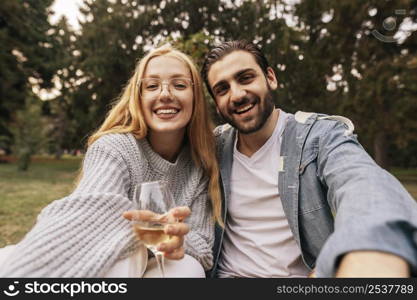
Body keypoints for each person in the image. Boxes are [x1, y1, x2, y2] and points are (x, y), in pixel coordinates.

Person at [0, 44, 222, 277]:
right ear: (138, 97)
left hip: (158, 258)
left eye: (179, 85)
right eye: (152, 86)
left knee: (188, 268)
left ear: (195, 97)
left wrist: (179, 239)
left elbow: (204, 247)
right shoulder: (115, 147)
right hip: (104, 256)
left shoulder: (201, 160)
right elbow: (90, 215)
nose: (165, 94)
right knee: (127, 254)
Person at [201, 40, 417, 278]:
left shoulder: (319, 136)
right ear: (217, 105)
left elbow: (363, 182)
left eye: (246, 78)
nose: (237, 95)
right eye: (222, 89)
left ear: (270, 78)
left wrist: (369, 250)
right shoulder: (212, 149)